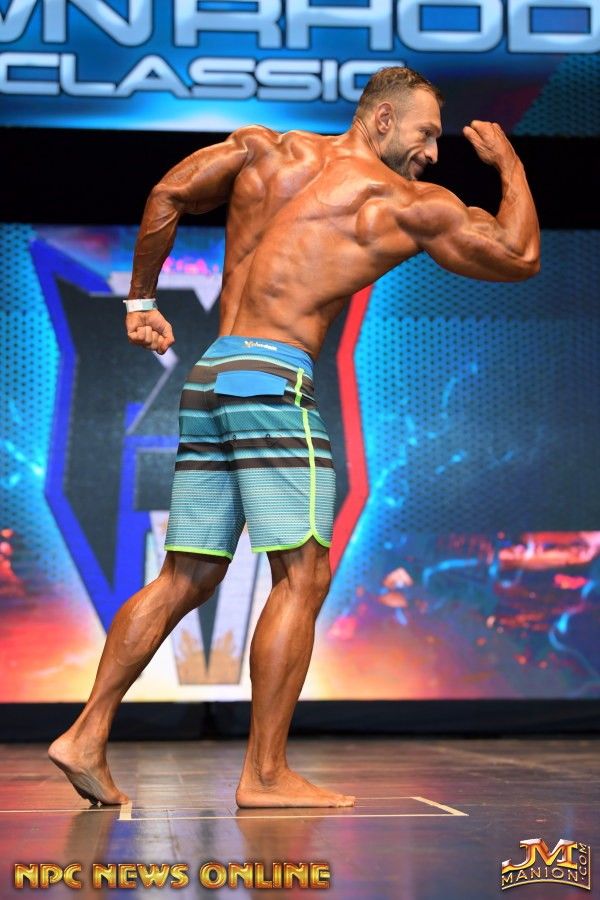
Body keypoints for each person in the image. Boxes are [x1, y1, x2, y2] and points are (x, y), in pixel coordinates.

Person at [49, 66, 540, 809]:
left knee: (185, 576)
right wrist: (509, 164)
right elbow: (519, 256)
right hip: (274, 380)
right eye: (425, 133)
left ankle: (86, 733)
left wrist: (139, 301)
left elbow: (168, 193)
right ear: (381, 120)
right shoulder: (403, 202)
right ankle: (266, 774)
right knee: (303, 576)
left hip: (213, 374)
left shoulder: (265, 150)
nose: (434, 153)